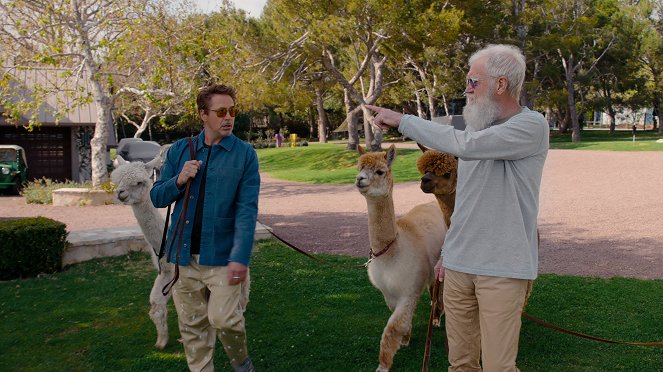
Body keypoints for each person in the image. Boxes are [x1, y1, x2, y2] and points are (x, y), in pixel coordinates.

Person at [366, 44, 549, 372]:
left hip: (503, 270)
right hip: (460, 267)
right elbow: (465, 201)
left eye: (473, 82)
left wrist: (402, 121)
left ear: (501, 85)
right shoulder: (477, 130)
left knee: (498, 367)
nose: (467, 89)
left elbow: (465, 145)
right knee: (460, 365)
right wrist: (448, 254)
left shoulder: (531, 126)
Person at [150, 84, 260, 372]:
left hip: (223, 257)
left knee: (225, 319)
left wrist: (240, 256)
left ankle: (241, 363)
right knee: (192, 329)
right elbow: (156, 196)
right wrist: (179, 180)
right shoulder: (179, 150)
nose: (229, 117)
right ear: (202, 114)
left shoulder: (245, 155)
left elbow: (247, 210)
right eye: (221, 111)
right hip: (182, 258)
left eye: (232, 111)